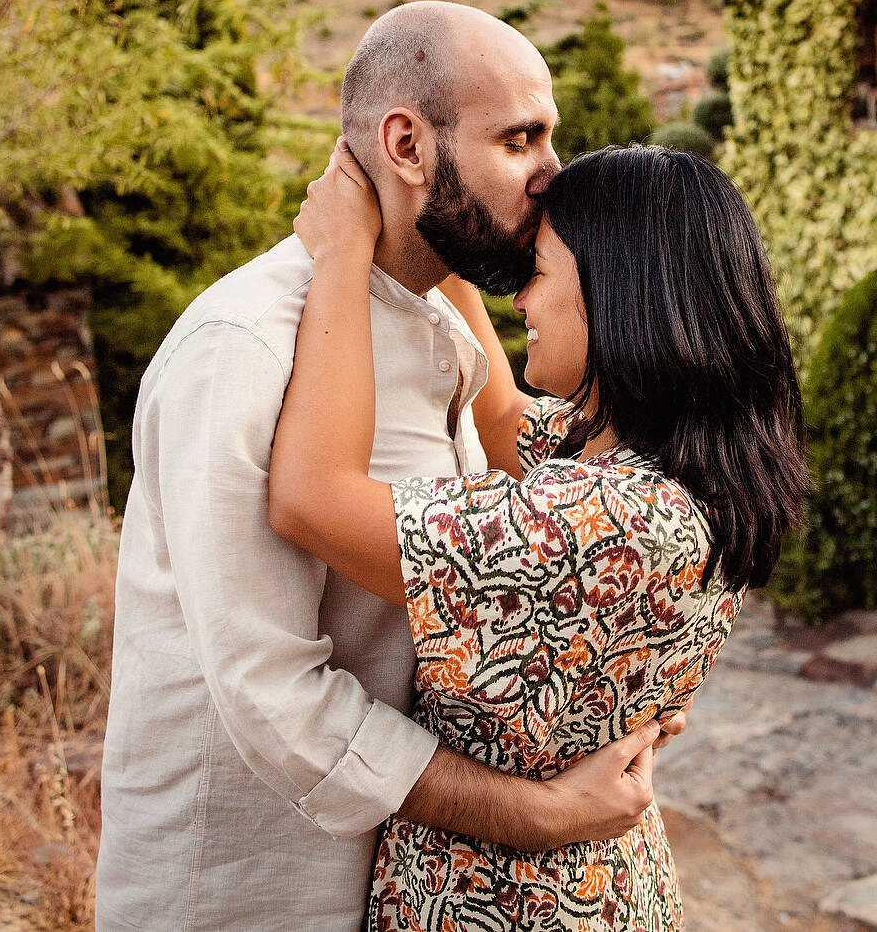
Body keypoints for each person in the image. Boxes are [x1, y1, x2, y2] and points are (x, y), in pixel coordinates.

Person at [96, 3, 681, 932]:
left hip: (404, 888)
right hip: (251, 892)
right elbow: (269, 689)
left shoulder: (445, 325)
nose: (552, 174)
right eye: (520, 139)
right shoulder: (244, 345)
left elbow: (514, 505)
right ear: (407, 145)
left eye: (550, 137)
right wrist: (538, 813)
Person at [270, 140, 811, 929]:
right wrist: (448, 219)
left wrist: (344, 249)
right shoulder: (664, 465)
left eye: (539, 271)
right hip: (600, 884)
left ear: (618, 293)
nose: (521, 297)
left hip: (511, 903)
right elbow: (499, 420)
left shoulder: (609, 519)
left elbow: (310, 499)